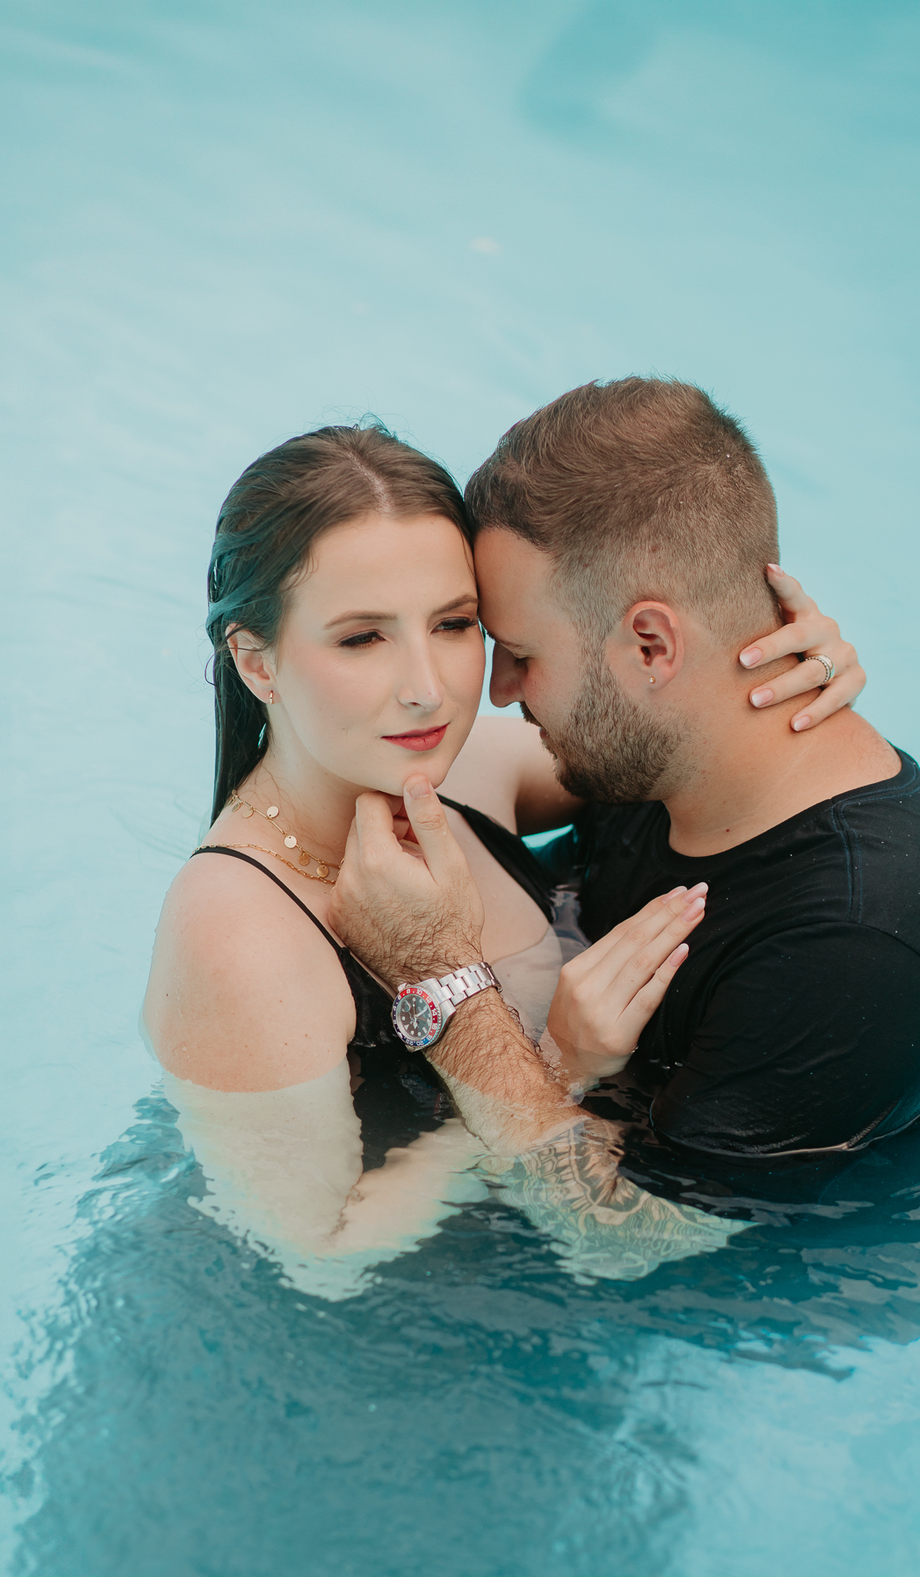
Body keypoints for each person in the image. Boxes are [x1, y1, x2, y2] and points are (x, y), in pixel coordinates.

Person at [142, 423, 860, 1282]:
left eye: (453, 624)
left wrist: (778, 669)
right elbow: (318, 1254)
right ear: (255, 661)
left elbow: (659, 732)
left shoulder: (467, 770)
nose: (427, 686)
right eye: (361, 638)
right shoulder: (238, 930)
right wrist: (559, 1064)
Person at [331, 379, 920, 1190]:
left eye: (522, 651)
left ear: (653, 647)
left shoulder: (857, 950)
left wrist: (444, 987)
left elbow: (631, 1252)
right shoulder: (671, 748)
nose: (500, 690)